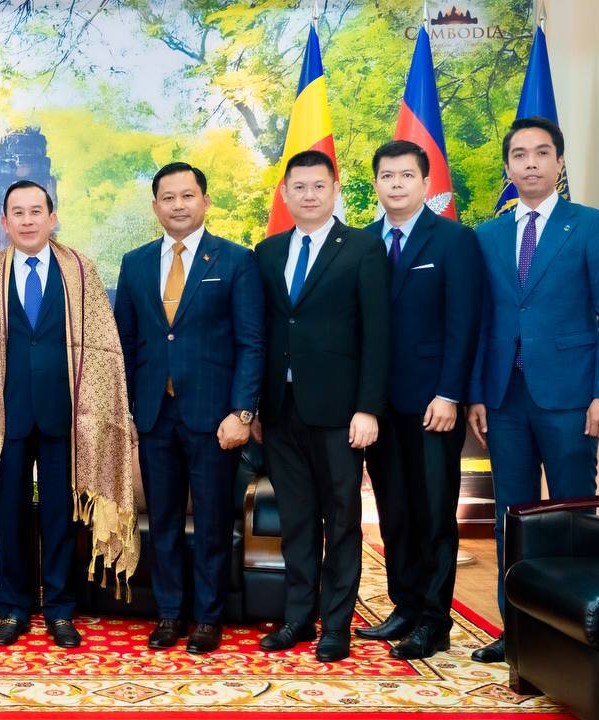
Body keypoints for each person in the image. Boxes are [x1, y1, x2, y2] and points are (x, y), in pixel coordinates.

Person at [0, 180, 139, 650]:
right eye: (18, 213)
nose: (27, 221)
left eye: (35, 211)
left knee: (59, 516)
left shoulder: (81, 271)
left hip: (65, 416)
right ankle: (12, 609)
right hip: (4, 418)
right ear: (4, 222)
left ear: (52, 217)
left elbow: (104, 348)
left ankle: (61, 610)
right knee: (9, 517)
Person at [466, 117, 599, 664]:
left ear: (559, 163)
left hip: (572, 398)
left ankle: (579, 633)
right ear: (508, 167)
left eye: (542, 153)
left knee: (572, 516)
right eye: (520, 154)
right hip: (504, 397)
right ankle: (514, 630)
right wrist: (477, 394)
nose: (531, 163)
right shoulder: (488, 235)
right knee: (512, 517)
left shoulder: (591, 226)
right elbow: (482, 321)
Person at [113, 162, 263, 654]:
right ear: (155, 206)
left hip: (214, 419)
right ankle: (169, 613)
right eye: (168, 197)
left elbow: (251, 343)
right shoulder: (135, 263)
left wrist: (242, 412)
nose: (178, 205)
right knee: (163, 521)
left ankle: (208, 617)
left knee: (214, 522)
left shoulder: (236, 260)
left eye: (187, 195)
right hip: (155, 416)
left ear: (205, 201)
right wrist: (129, 411)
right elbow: (126, 343)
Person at [251, 150, 390, 663]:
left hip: (340, 412)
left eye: (318, 186)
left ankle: (336, 625)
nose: (308, 195)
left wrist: (368, 408)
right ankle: (297, 618)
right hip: (281, 410)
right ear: (284, 193)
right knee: (297, 521)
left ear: (335, 190)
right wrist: (255, 407)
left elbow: (377, 333)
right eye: (299, 187)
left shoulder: (363, 247)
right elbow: (264, 332)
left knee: (342, 520)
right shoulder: (267, 252)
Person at [356, 140, 483, 660]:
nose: (396, 184)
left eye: (406, 175)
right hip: (378, 405)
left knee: (433, 513)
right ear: (376, 183)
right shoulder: (363, 242)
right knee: (394, 511)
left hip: (434, 403)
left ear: (425, 183)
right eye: (387, 176)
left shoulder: (453, 239)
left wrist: (450, 393)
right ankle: (405, 606)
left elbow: (464, 322)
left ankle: (434, 620)